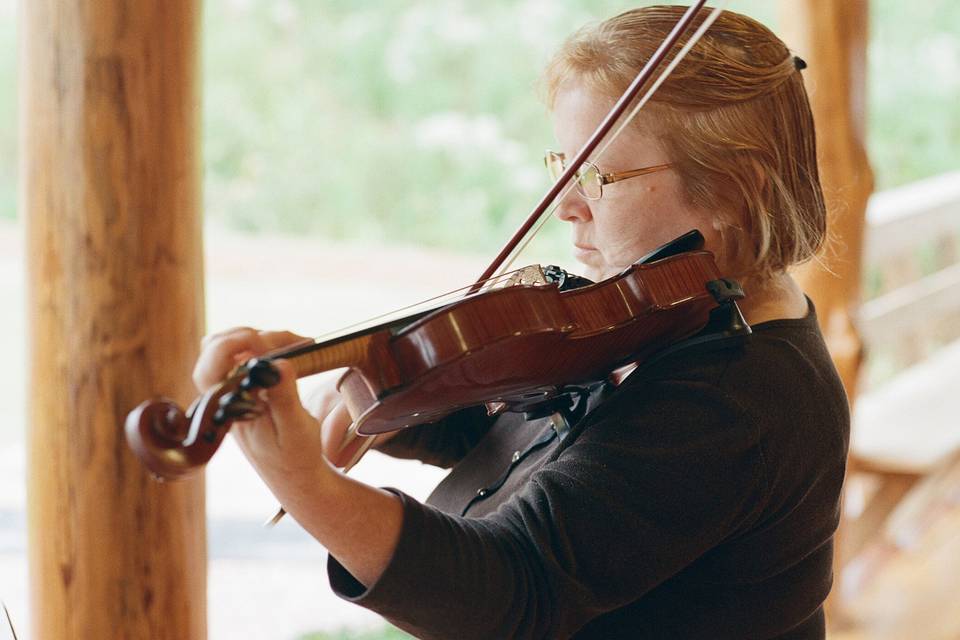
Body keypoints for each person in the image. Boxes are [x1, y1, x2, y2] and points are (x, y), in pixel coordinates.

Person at [193, 6, 849, 639]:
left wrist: (305, 483)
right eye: (562, 164)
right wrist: (380, 382)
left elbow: (515, 591)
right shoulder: (672, 318)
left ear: (735, 190)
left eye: (597, 174)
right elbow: (533, 438)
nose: (565, 205)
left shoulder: (739, 396)